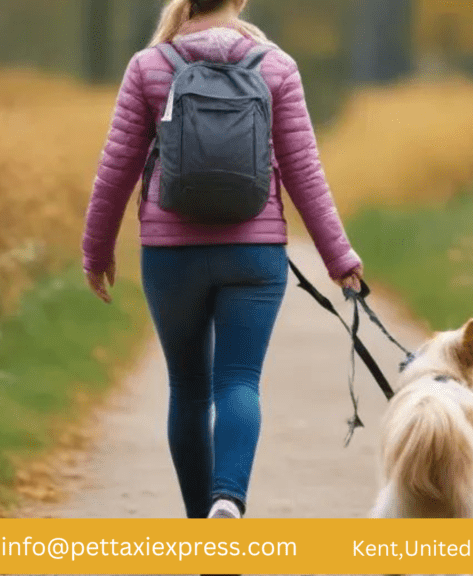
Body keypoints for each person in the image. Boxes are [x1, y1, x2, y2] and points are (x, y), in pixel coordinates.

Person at [81, 0, 364, 520]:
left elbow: (116, 166)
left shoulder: (150, 66)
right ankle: (228, 499)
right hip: (253, 256)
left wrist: (95, 250)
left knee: (188, 388)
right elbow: (303, 170)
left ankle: (200, 529)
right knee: (238, 380)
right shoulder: (276, 65)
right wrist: (337, 255)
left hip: (171, 256)